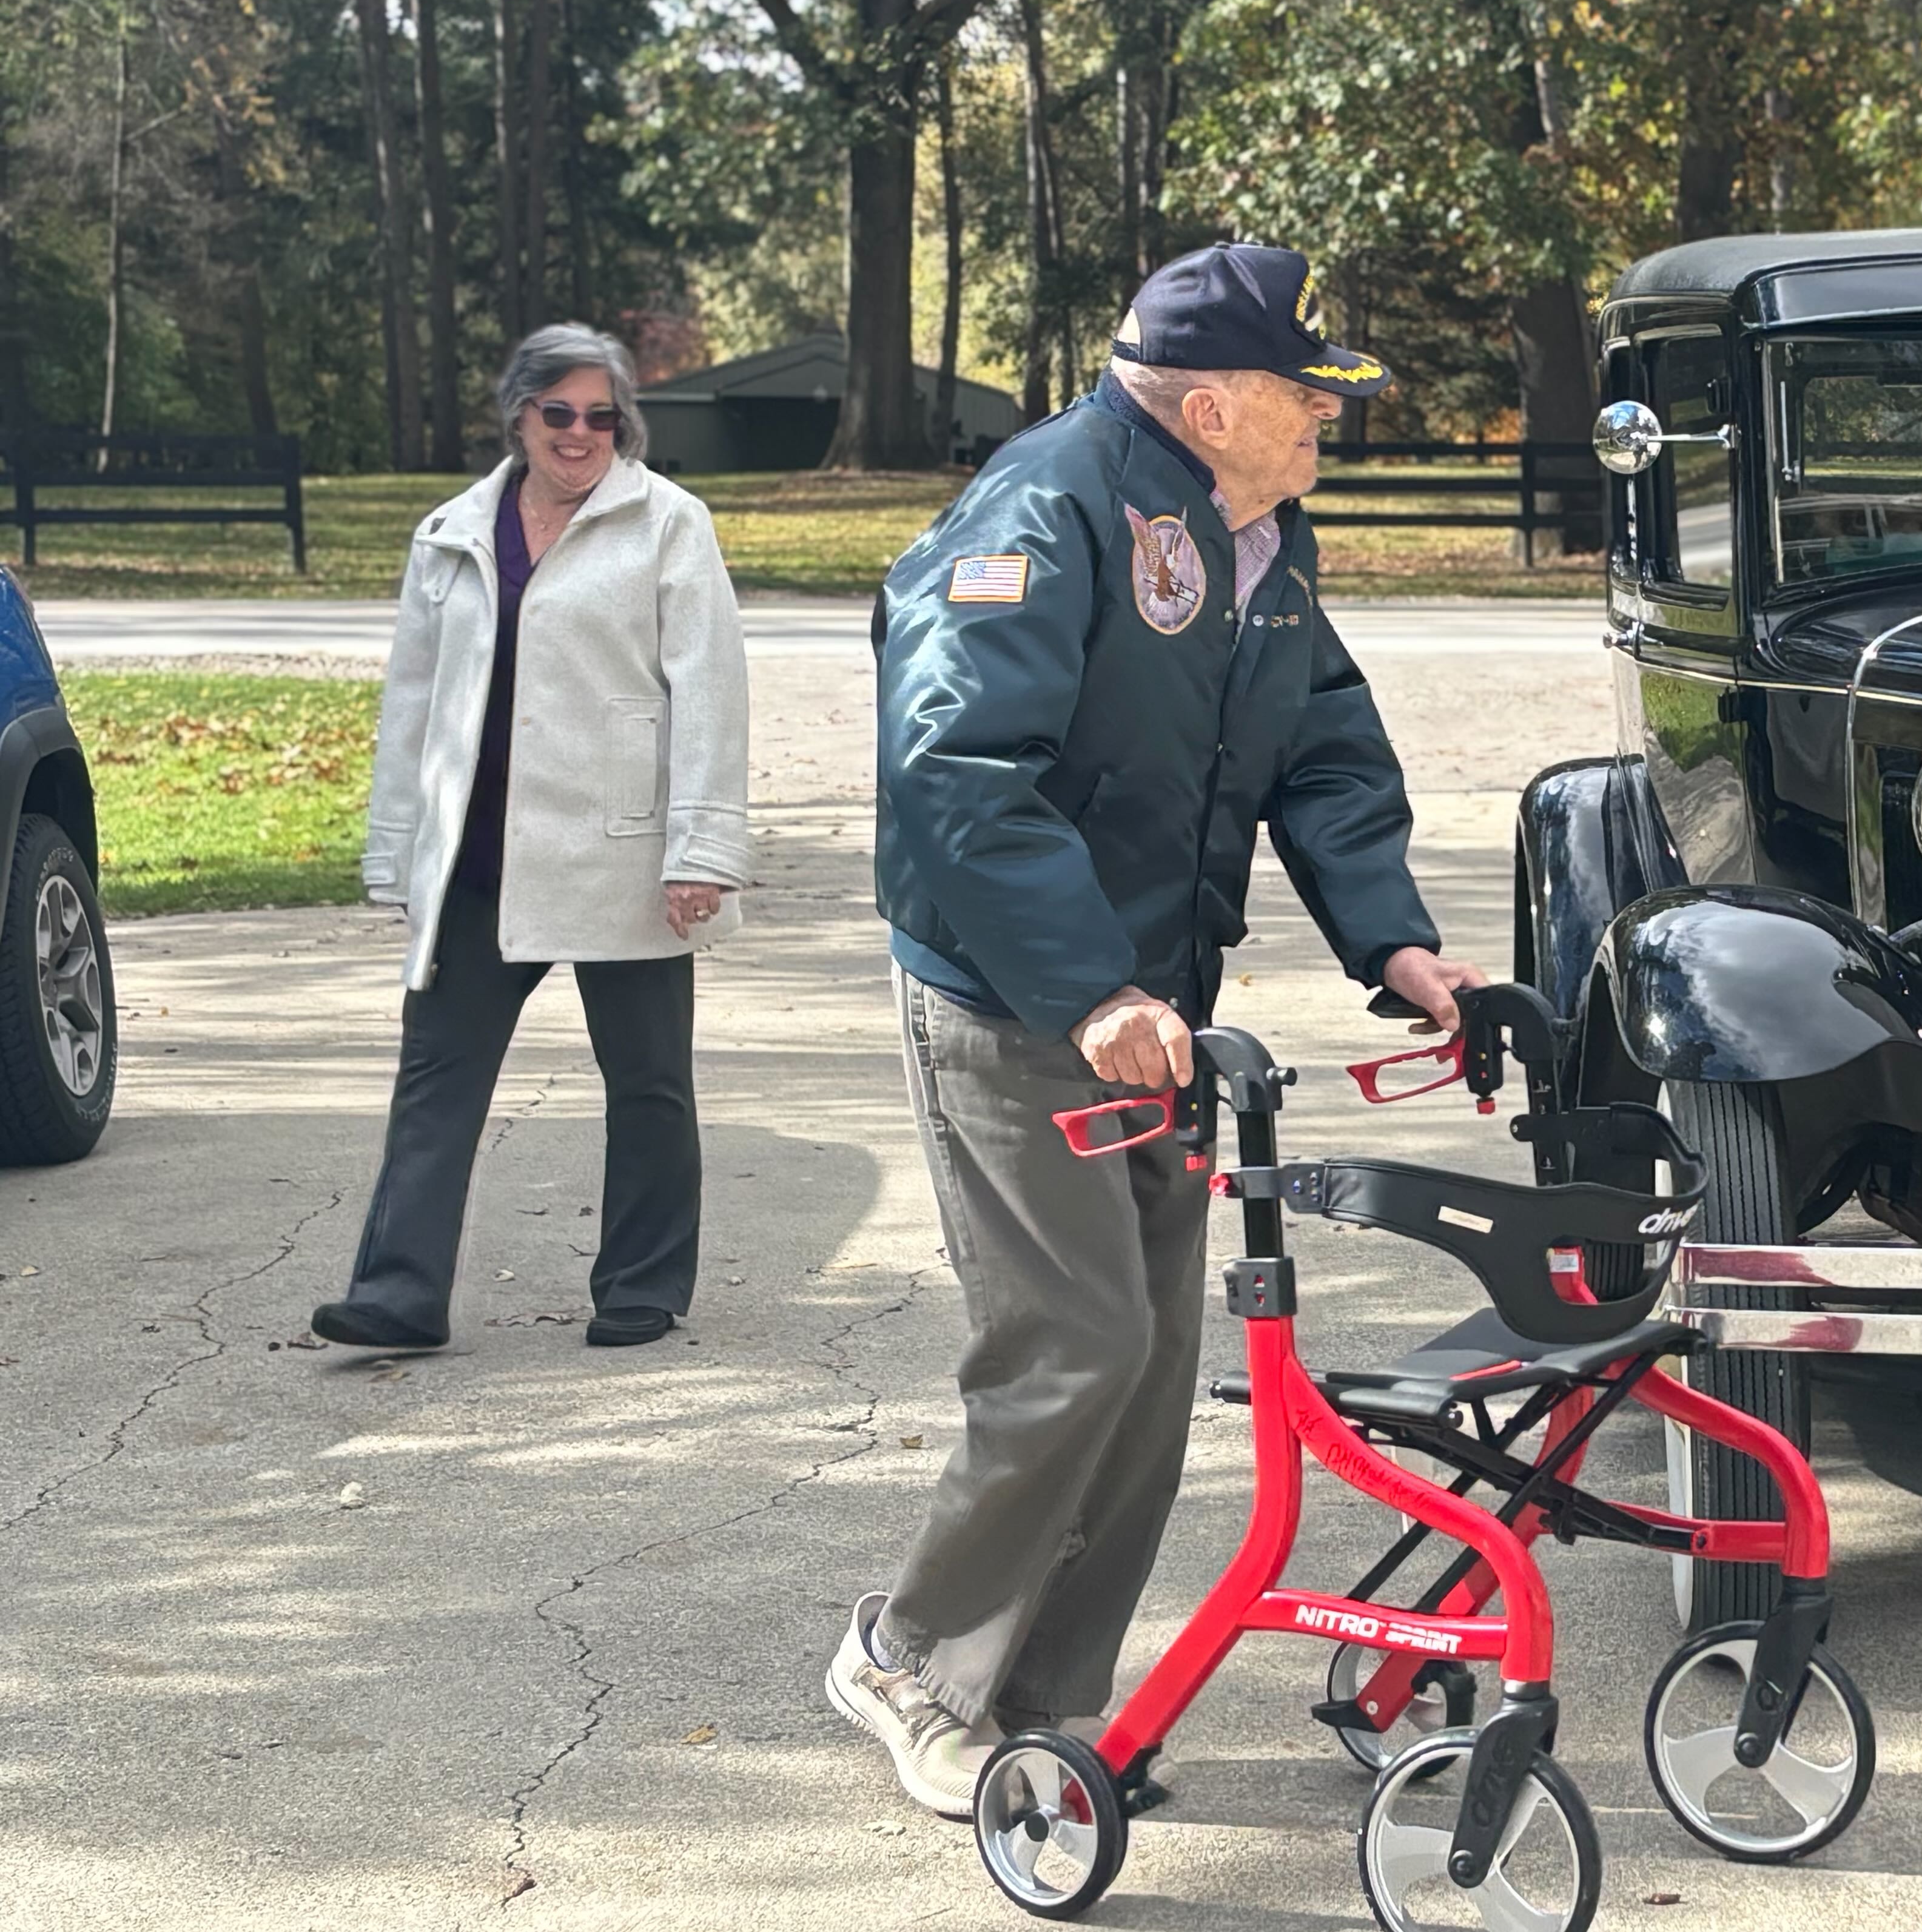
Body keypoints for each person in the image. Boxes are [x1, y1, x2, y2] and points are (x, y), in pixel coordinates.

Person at [832, 241, 1485, 1816]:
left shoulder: (1255, 528)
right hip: (1019, 998)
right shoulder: (1043, 506)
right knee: (1075, 1345)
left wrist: (1391, 934)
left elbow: (1323, 741)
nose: (1333, 420)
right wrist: (1089, 986)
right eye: (1311, 394)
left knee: (1150, 1362)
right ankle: (910, 1657)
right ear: (1211, 400)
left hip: (1153, 1010)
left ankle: (1047, 1712)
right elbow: (958, 768)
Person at [317, 325, 753, 1353]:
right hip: (480, 858)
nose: (580, 434)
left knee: (647, 1082)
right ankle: (398, 1295)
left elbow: (712, 693)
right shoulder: (452, 532)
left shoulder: (668, 524)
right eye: (559, 412)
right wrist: (397, 851)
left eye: (602, 416)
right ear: (519, 414)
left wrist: (701, 851)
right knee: (437, 1078)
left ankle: (642, 1286)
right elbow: (413, 704)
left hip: (625, 854)